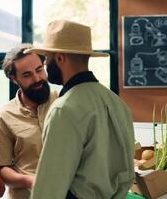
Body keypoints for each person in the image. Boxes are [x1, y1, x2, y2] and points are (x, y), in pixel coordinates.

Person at [26, 20, 135, 199]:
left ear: (60, 58)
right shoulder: (117, 103)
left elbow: (49, 189)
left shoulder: (64, 109)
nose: (45, 64)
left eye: (47, 58)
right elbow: (127, 173)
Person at [0, 43, 58, 199]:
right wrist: (30, 181)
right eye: (27, 75)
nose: (37, 79)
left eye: (39, 70)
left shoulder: (63, 102)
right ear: (14, 79)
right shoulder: (4, 117)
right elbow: (1, 169)